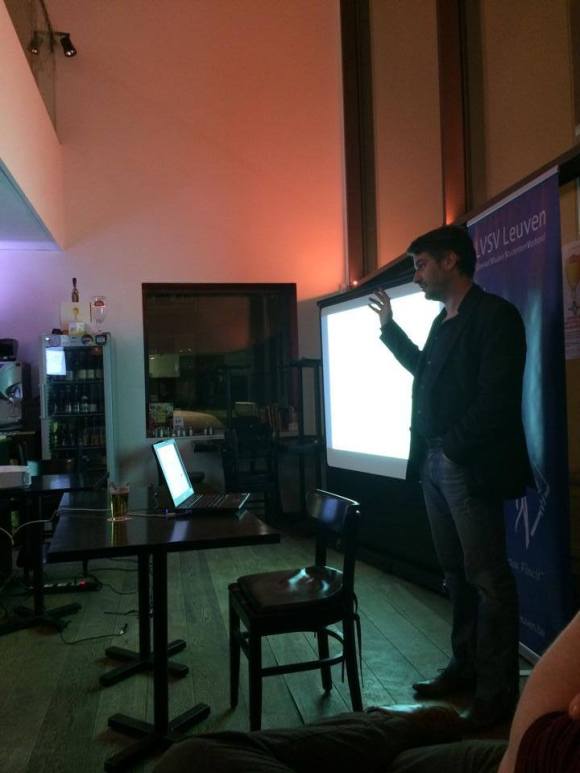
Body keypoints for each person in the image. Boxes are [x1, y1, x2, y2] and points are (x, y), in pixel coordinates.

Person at [368, 225, 533, 730]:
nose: (416, 276)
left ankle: (496, 694)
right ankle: (464, 668)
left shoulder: (495, 316)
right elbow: (426, 373)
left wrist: (454, 451)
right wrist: (390, 330)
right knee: (456, 574)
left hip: (466, 465)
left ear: (451, 261)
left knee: (488, 579)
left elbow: (496, 399)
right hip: (435, 464)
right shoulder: (444, 322)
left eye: (420, 265)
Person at [153, 614, 580, 772]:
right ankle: (418, 722)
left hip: (537, 751)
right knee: (399, 762)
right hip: (533, 751)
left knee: (192, 758)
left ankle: (408, 723)